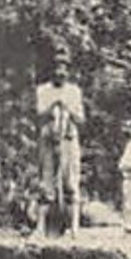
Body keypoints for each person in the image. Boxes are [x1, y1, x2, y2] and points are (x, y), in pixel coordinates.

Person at [33, 46, 85, 237]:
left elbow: (81, 119)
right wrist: (53, 106)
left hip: (69, 140)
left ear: (68, 71)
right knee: (46, 183)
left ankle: (74, 228)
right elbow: (38, 115)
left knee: (71, 182)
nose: (60, 72)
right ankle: (40, 227)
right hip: (48, 139)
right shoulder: (43, 90)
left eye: (63, 68)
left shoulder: (74, 91)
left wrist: (68, 109)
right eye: (56, 68)